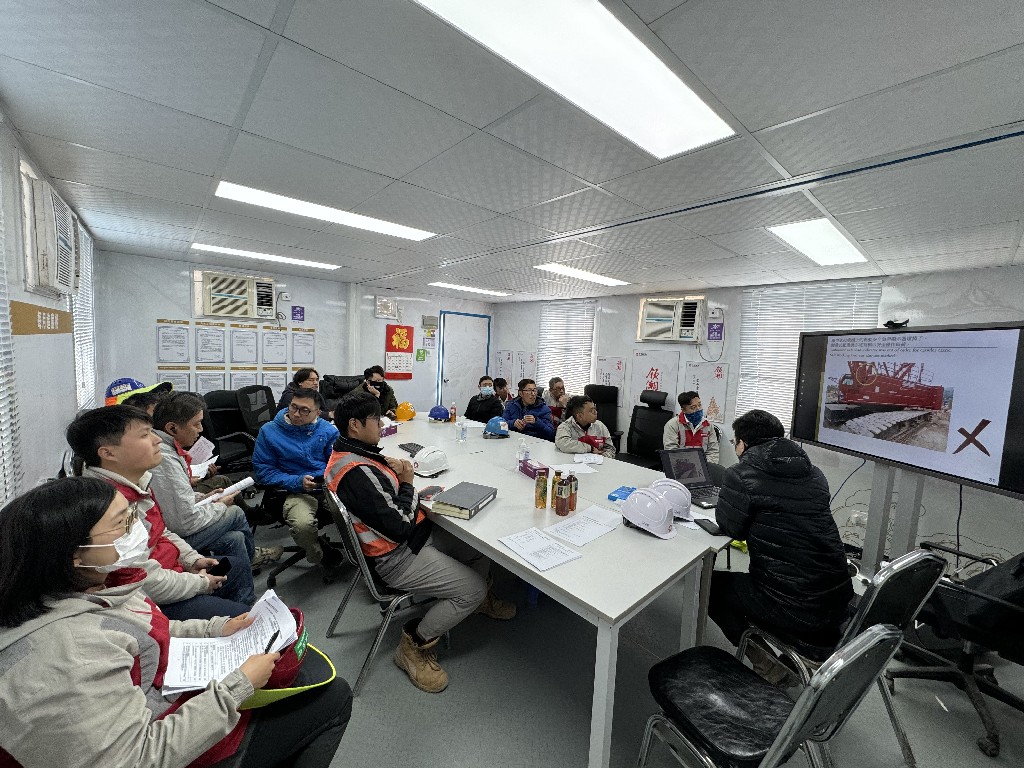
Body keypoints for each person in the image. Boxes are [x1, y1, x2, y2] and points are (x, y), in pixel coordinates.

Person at [0, 477, 352, 768]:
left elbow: (146, 632)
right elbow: (136, 759)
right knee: (332, 697)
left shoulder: (99, 581)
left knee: (294, 672)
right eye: (122, 524)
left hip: (154, 697)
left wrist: (217, 628)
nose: (138, 530)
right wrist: (237, 686)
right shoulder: (63, 661)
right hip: (157, 743)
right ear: (74, 555)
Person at [326, 392, 516, 693]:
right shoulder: (356, 473)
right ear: (354, 425)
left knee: (478, 551)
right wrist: (408, 483)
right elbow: (399, 526)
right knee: (473, 589)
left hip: (413, 538)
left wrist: (398, 476)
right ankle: (413, 644)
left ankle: (476, 603)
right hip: (396, 557)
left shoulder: (355, 454)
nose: (381, 424)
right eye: (376, 419)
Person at [66, 406, 252, 620]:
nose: (157, 440)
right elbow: (144, 581)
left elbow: (161, 531)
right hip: (146, 599)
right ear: (108, 453)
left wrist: (191, 559)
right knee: (243, 618)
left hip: (170, 571)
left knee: (233, 567)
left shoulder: (135, 483)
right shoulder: (110, 508)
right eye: (145, 435)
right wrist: (200, 583)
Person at [710, 409, 854, 683]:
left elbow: (731, 530)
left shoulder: (741, 474)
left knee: (710, 588)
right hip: (836, 600)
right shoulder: (815, 474)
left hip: (793, 605)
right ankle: (784, 661)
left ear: (742, 443)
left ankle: (769, 666)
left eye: (735, 442)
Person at [150, 392, 282, 578]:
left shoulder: (167, 450)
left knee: (235, 539)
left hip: (173, 524)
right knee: (234, 512)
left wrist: (205, 498)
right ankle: (252, 557)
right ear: (172, 428)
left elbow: (174, 500)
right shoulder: (165, 460)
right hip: (172, 535)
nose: (201, 430)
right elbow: (184, 523)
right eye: (196, 424)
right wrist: (219, 505)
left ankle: (241, 600)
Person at [252, 389, 344, 576]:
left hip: (325, 486)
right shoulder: (269, 431)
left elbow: (336, 463)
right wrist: (296, 481)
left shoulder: (328, 430)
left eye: (304, 410)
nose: (295, 413)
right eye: (293, 407)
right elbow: (263, 471)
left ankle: (364, 556)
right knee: (303, 525)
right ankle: (318, 554)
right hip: (293, 489)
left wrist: (323, 478)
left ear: (318, 413)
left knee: (358, 509)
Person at [663, 390, 720, 463]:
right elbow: (671, 452)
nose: (698, 409)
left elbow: (713, 452)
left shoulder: (708, 425)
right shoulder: (672, 425)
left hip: (703, 467)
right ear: (683, 410)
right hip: (681, 465)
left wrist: (707, 467)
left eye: (699, 405)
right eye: (693, 407)